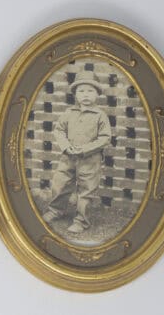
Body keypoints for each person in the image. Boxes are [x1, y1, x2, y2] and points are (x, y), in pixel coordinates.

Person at [41, 71, 111, 233]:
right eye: (81, 91)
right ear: (75, 94)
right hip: (68, 157)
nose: (85, 95)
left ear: (97, 94)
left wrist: (85, 148)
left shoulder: (100, 116)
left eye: (90, 91)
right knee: (60, 184)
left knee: (86, 190)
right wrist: (65, 146)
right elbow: (59, 131)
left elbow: (105, 138)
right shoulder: (68, 113)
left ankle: (81, 220)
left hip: (90, 159)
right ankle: (55, 211)